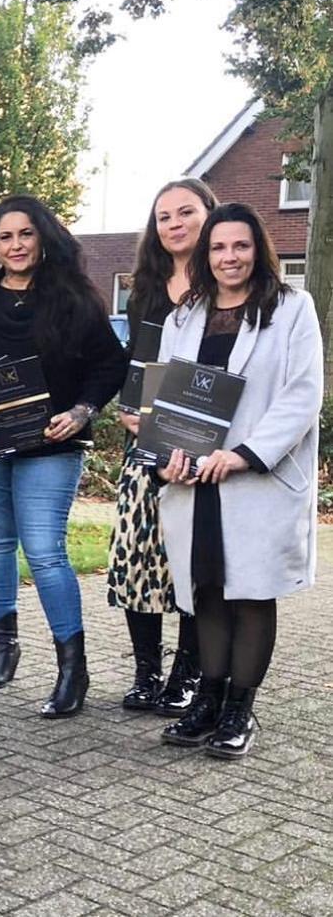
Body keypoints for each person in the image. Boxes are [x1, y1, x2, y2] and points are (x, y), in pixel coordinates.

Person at [0, 195, 127, 716]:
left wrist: (83, 411)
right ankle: (4, 649)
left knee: (45, 551)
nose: (16, 244)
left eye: (25, 233)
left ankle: (73, 669)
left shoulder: (74, 298)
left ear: (43, 236)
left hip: (51, 444)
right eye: (5, 236)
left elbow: (109, 366)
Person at [156, 203, 321, 759]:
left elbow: (302, 394)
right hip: (194, 480)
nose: (230, 257)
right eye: (219, 247)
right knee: (205, 590)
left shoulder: (292, 309)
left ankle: (239, 710)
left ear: (259, 250)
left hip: (255, 479)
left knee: (250, 591)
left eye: (241, 246)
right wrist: (164, 457)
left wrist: (244, 455)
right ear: (206, 254)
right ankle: (207, 699)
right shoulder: (185, 316)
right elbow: (166, 400)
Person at [108, 179, 215, 713]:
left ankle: (187, 674)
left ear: (209, 214)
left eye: (186, 212)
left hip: (206, 445)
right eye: (164, 216)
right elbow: (137, 360)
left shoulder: (224, 286)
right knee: (136, 554)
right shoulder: (145, 289)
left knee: (193, 560)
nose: (174, 224)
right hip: (145, 442)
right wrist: (127, 410)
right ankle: (146, 671)